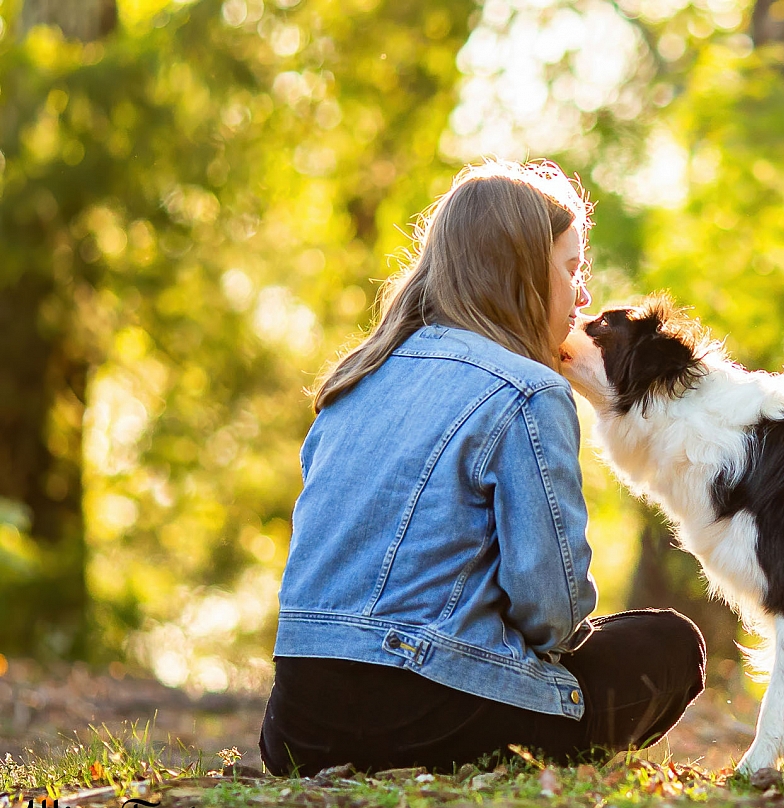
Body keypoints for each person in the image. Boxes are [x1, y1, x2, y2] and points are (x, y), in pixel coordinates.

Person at [258, 160, 706, 777]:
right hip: (422, 713)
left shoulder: (355, 381)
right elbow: (554, 617)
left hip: (296, 726)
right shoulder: (526, 392)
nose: (583, 298)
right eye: (572, 269)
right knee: (671, 646)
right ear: (520, 271)